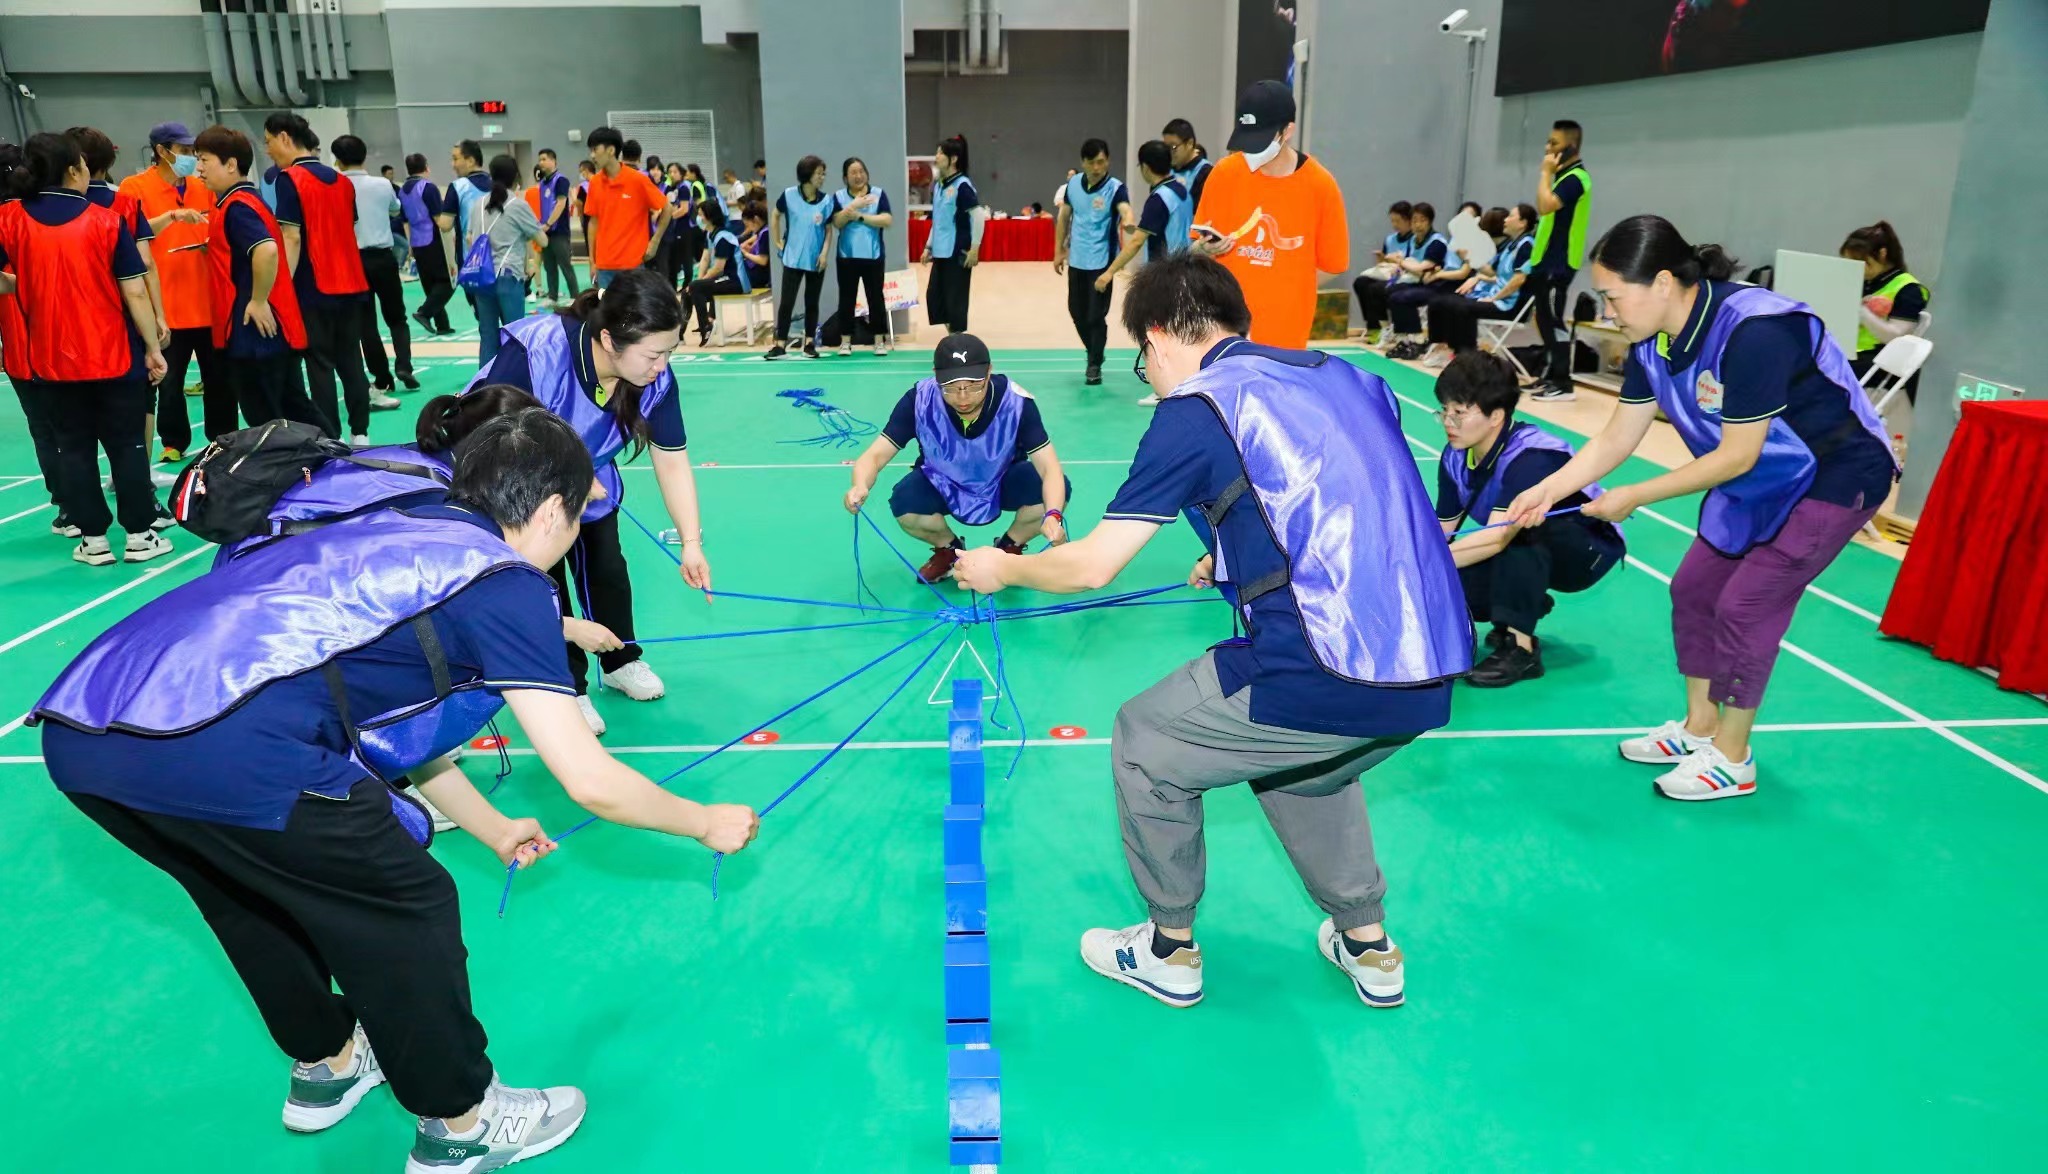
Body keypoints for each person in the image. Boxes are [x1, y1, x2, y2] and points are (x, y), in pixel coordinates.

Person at [31, 407, 758, 1173]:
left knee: (248, 894)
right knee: (407, 905)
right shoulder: (502, 581)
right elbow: (590, 779)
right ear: (552, 511)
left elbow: (386, 727)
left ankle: (330, 1063)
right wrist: (702, 820)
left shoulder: (404, 525)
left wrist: (491, 826)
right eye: (578, 517)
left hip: (89, 729)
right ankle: (461, 1121)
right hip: (227, 742)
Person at [951, 252, 1467, 1009]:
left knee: (1145, 737)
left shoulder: (1196, 409)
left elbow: (1093, 565)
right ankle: (1368, 943)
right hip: (1429, 666)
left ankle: (1168, 951)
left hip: (1319, 661)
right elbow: (1336, 500)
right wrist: (1230, 553)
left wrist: (1002, 566)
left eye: (1142, 359)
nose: (1151, 378)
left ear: (1157, 338)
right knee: (1302, 761)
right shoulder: (1345, 377)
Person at [1506, 215, 1897, 801]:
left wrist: (1634, 494)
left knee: (1746, 603)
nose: (1608, 311)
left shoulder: (1755, 332)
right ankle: (1700, 728)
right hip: (1761, 475)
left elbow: (1737, 455)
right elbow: (1617, 437)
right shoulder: (1653, 341)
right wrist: (1551, 488)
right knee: (1693, 589)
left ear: (1663, 282)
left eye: (1613, 296)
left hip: (1834, 475)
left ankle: (1734, 760)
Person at [467, 269, 711, 730]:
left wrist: (691, 543)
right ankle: (566, 686)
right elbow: (490, 439)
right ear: (609, 339)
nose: (662, 366)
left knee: (608, 568)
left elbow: (672, 460)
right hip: (509, 474)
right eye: (654, 354)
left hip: (587, 473)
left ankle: (620, 660)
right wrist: (565, 480)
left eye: (670, 352)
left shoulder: (653, 378)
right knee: (545, 580)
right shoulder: (537, 353)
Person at [0, 132, 171, 566]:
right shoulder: (106, 221)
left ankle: (93, 541)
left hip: (50, 362)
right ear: (74, 170)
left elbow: (8, 281)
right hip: (114, 357)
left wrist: (22, 285)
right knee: (127, 446)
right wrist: (153, 348)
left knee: (72, 449)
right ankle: (140, 535)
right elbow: (134, 291)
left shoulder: (9, 219)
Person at [1434, 351, 1623, 686]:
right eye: (1444, 410)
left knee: (1523, 526)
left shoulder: (1533, 456)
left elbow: (1497, 538)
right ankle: (1521, 605)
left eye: (1459, 412)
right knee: (1450, 586)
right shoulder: (1455, 456)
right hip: (1524, 548)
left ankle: (1521, 650)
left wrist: (1424, 564)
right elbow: (1442, 530)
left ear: (1496, 416)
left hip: (1585, 551)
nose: (1449, 421)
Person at [843, 333, 1071, 584]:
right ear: (936, 375)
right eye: (950, 388)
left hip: (1001, 479)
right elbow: (874, 456)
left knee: (1053, 490)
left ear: (989, 372)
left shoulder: (1016, 403)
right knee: (905, 502)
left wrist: (1053, 516)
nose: (962, 397)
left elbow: (1049, 468)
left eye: (973, 386)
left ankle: (1009, 548)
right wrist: (860, 485)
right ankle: (949, 551)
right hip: (941, 481)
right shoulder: (919, 400)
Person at [1191, 81, 1348, 350]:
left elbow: (1332, 264)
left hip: (1285, 337)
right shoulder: (1224, 175)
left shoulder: (1320, 185)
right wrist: (1203, 250)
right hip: (1223, 329)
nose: (1251, 151)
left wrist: (1284, 287)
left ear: (1287, 131)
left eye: (1260, 141)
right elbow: (1196, 250)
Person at [266, 113, 390, 444]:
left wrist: (279, 287)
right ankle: (360, 432)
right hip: (352, 284)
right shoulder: (342, 182)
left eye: (268, 141)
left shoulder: (289, 179)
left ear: (284, 138)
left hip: (314, 286)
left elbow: (291, 237)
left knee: (320, 365)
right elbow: (349, 226)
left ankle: (331, 436)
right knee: (351, 360)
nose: (268, 150)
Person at [193, 125, 324, 435]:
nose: (198, 168)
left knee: (270, 419)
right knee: (295, 408)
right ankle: (334, 453)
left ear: (231, 164)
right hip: (269, 331)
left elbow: (266, 250)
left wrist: (258, 299)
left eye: (204, 159)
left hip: (254, 333)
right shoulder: (242, 201)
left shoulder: (238, 207)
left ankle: (325, 455)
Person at [120, 121, 229, 456]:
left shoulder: (202, 186)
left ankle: (224, 441)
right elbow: (128, 235)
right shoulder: (134, 187)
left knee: (219, 381)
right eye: (183, 151)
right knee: (169, 382)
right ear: (161, 151)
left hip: (207, 301)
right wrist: (171, 217)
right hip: (166, 305)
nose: (190, 158)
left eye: (192, 152)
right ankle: (173, 442)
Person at [333, 135, 417, 398]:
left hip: (354, 261)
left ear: (338, 160)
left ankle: (382, 378)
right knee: (397, 317)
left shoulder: (336, 185)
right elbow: (395, 210)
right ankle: (404, 365)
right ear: (364, 156)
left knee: (366, 324)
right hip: (383, 257)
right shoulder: (382, 184)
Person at [1052, 138, 1131, 385]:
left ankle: (1094, 363)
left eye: (1101, 162)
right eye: (1091, 162)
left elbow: (1125, 209)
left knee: (1095, 315)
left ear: (1108, 161)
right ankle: (1094, 350)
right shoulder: (1073, 185)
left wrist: (1129, 220)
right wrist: (1058, 251)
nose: (1097, 168)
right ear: (1083, 162)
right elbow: (1064, 218)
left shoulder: (1115, 188)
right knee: (1076, 312)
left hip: (1101, 262)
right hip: (1077, 260)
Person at [1524, 119, 1592, 402]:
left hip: (1560, 263)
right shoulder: (1563, 177)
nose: (1547, 148)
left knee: (1554, 320)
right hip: (1544, 261)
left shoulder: (1576, 179)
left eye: (1554, 143)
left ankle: (1563, 384)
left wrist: (1545, 173)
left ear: (1571, 146)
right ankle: (1550, 374)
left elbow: (1544, 205)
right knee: (1542, 319)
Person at [1422, 204, 1535, 366]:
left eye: (1511, 216)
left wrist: (1494, 298)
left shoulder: (1526, 245)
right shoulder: (1512, 245)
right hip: (1497, 299)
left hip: (1510, 305)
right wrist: (1468, 256)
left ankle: (1466, 358)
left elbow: (1519, 280)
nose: (1506, 220)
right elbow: (1491, 272)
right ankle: (1442, 347)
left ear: (1523, 223)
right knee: (1439, 302)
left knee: (1462, 308)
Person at [470, 154, 545, 365]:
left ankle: (485, 381)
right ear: (516, 177)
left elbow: (470, 238)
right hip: (508, 275)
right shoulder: (517, 205)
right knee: (515, 335)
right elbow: (542, 240)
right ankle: (513, 380)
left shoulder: (478, 204)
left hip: (482, 277)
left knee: (487, 334)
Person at [1840, 219, 1929, 395]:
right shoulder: (1861, 282)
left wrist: (1861, 312)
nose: (1856, 268)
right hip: (1846, 350)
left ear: (1882, 254)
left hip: (1877, 359)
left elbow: (1895, 336)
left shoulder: (1909, 289)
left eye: (1860, 261)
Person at [580, 127, 669, 291]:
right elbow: (593, 222)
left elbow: (667, 208)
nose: (592, 155)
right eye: (590, 150)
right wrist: (592, 261)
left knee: (633, 308)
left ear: (611, 150)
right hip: (604, 267)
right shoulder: (595, 183)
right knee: (608, 307)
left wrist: (655, 241)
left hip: (632, 265)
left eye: (595, 149)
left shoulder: (638, 180)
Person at [768, 154, 834, 360]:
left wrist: (824, 254)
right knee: (786, 302)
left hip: (816, 260)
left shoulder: (826, 201)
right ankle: (780, 345)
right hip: (792, 259)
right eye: (818, 174)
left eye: (823, 174)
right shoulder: (789, 195)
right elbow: (775, 215)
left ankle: (809, 344)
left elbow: (829, 230)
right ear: (807, 175)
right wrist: (777, 241)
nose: (822, 177)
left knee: (812, 303)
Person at [829, 155, 894, 357]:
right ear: (845, 178)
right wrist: (853, 206)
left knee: (876, 299)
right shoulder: (839, 196)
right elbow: (837, 222)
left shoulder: (878, 194)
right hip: (846, 256)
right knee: (846, 299)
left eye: (861, 171)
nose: (858, 176)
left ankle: (879, 341)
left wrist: (860, 217)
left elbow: (887, 220)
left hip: (873, 255)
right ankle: (845, 342)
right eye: (853, 173)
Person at [921, 135, 982, 334]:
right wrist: (928, 246)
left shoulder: (962, 185)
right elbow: (938, 220)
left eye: (940, 153)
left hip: (956, 252)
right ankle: (953, 338)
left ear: (953, 159)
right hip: (940, 252)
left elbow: (978, 216)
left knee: (955, 303)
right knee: (935, 299)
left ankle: (956, 342)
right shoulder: (939, 185)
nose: (936, 156)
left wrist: (975, 249)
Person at [1380, 201, 1455, 359]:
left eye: (1423, 220)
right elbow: (1409, 264)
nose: (1418, 224)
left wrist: (1400, 261)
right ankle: (1403, 339)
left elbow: (1422, 268)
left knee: (1403, 297)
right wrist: (1400, 265)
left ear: (1430, 221)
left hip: (1437, 286)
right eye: (1414, 220)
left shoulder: (1437, 242)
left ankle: (1418, 340)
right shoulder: (1413, 240)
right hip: (1418, 282)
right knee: (1391, 291)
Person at [397, 156, 453, 337]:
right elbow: (438, 218)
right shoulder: (428, 187)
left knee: (430, 284)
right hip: (433, 239)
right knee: (447, 282)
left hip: (416, 241)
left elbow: (405, 221)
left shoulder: (402, 191)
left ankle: (442, 324)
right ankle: (424, 313)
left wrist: (410, 244)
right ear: (426, 167)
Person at [682, 199, 750, 346]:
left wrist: (697, 283)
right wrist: (697, 281)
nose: (698, 218)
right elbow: (705, 259)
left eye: (701, 215)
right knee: (688, 291)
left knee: (695, 287)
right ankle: (680, 335)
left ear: (709, 216)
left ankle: (706, 326)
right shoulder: (710, 234)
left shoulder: (723, 238)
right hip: (723, 279)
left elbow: (719, 267)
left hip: (735, 282)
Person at [1351, 201, 1414, 344]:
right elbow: (1384, 262)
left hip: (1404, 276)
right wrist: (1381, 258)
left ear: (1409, 220)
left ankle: (1385, 327)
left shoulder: (1414, 240)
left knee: (1375, 288)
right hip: (1388, 274)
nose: (1394, 224)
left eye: (1398, 221)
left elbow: (1412, 263)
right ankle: (1373, 327)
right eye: (1392, 221)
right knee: (1361, 282)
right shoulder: (1390, 239)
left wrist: (1398, 261)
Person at [533, 148, 580, 305]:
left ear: (553, 161)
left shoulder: (561, 180)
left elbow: (561, 204)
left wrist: (548, 224)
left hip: (559, 231)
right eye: (539, 159)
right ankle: (552, 297)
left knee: (565, 265)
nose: (541, 162)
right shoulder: (542, 183)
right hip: (545, 232)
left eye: (544, 159)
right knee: (549, 266)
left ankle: (575, 297)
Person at [1161, 118, 1212, 209]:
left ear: (1189, 143)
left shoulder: (1206, 172)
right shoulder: (1166, 170)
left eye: (1173, 147)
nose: (1168, 152)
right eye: (1165, 147)